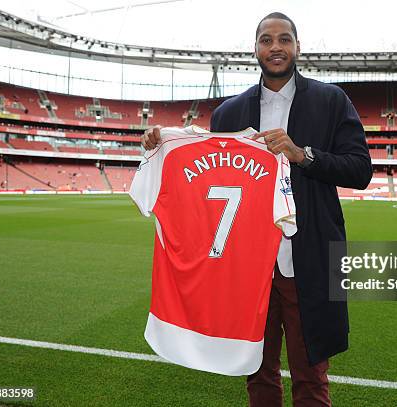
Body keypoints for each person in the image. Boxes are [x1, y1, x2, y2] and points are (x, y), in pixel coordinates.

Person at [141, 12, 372, 406]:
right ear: (256, 49)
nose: (276, 47)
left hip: (310, 258)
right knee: (258, 374)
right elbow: (208, 178)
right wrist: (161, 147)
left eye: (284, 39)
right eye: (267, 40)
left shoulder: (331, 100)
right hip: (248, 269)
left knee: (311, 376)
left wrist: (303, 155)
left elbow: (360, 170)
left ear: (298, 47)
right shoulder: (229, 113)